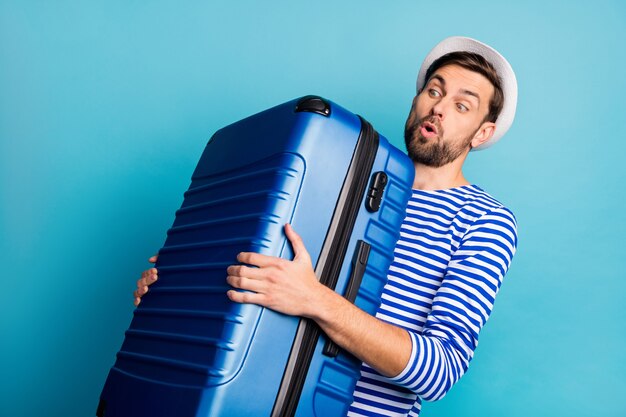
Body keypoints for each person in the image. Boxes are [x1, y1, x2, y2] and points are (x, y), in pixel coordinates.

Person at [133, 36, 519, 417]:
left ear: (481, 133)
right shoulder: (341, 176)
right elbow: (268, 274)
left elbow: (440, 372)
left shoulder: (485, 221)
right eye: (434, 92)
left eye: (462, 105)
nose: (439, 109)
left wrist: (315, 300)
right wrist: (178, 287)